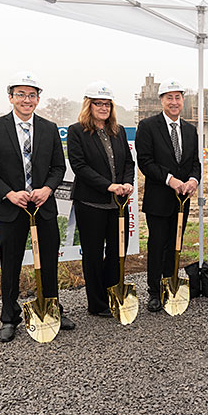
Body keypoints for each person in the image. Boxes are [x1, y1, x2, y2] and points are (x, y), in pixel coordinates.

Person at [0, 71, 75, 342]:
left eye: (32, 95)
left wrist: (47, 189)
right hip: (11, 209)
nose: (26, 100)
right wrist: (9, 193)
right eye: (20, 94)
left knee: (48, 263)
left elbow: (58, 167)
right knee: (11, 264)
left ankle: (53, 309)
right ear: (10, 97)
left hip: (43, 207)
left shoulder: (49, 128)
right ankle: (9, 317)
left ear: (38, 99)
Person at [67, 81, 135, 317]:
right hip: (91, 204)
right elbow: (80, 166)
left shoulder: (118, 130)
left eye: (107, 104)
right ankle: (96, 304)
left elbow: (128, 161)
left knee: (118, 252)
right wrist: (109, 186)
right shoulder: (77, 131)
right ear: (89, 105)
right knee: (93, 256)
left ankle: (112, 293)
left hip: (118, 205)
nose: (104, 108)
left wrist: (127, 183)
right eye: (99, 103)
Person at [135, 78, 201, 313]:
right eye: (169, 98)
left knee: (176, 245)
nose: (174, 102)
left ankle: (170, 285)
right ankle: (154, 291)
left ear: (183, 100)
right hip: (159, 198)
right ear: (161, 100)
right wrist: (170, 180)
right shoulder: (148, 126)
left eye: (178, 97)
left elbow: (195, 162)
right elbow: (145, 162)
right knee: (157, 245)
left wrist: (193, 180)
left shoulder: (190, 130)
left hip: (182, 200)